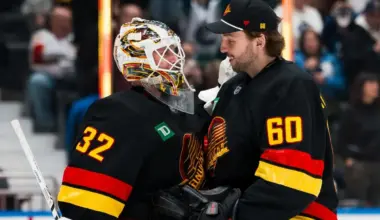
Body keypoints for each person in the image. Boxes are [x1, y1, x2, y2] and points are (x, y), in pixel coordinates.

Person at [57, 18, 209, 220]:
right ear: (137, 63)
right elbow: (87, 202)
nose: (175, 60)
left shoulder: (192, 110)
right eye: (164, 53)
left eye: (175, 51)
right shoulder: (118, 113)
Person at [202, 0, 339, 219]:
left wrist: (233, 213)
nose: (222, 48)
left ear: (259, 41)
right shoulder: (233, 88)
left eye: (231, 40)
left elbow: (291, 182)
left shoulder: (291, 87)